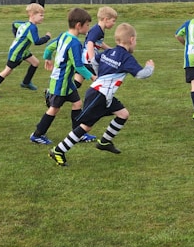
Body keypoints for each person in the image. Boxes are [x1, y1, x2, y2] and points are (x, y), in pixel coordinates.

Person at [49, 23, 155, 166]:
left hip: (104, 94)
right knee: (86, 126)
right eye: (135, 40)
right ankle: (59, 150)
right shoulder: (126, 58)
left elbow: (94, 61)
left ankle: (105, 141)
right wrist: (150, 67)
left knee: (123, 114)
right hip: (99, 95)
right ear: (131, 40)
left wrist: (102, 75)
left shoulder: (108, 52)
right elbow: (141, 75)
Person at [29, 8, 96, 145]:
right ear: (79, 25)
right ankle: (37, 134)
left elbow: (49, 47)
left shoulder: (64, 36)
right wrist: (92, 77)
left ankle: (78, 134)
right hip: (61, 82)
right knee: (54, 109)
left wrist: (47, 58)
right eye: (87, 25)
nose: (88, 28)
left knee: (77, 103)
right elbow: (78, 66)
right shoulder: (75, 43)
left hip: (66, 81)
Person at [0, 3, 51, 98]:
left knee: (35, 63)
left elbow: (14, 24)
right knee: (7, 71)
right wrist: (47, 37)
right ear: (32, 15)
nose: (43, 17)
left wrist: (17, 37)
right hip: (17, 53)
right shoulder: (32, 28)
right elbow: (37, 42)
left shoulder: (24, 24)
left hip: (23, 51)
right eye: (41, 15)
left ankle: (26, 82)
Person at [73, 6, 118, 89]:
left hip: (85, 60)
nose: (114, 23)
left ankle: (52, 93)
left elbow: (100, 43)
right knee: (102, 81)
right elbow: (90, 43)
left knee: (76, 84)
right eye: (113, 21)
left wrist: (111, 50)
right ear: (106, 19)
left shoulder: (99, 29)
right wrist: (92, 59)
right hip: (88, 61)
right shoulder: (97, 30)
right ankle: (101, 99)